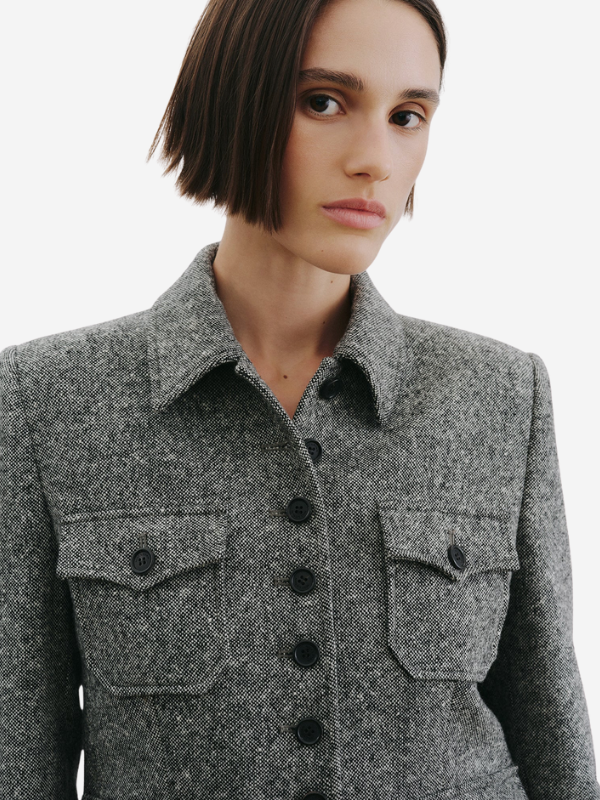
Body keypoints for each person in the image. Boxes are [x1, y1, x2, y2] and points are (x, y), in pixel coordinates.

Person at [1, 0, 598, 798]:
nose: (375, 160)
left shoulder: (501, 396)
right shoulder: (47, 402)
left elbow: (552, 728)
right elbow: (19, 752)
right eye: (323, 102)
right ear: (230, 101)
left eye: (408, 116)